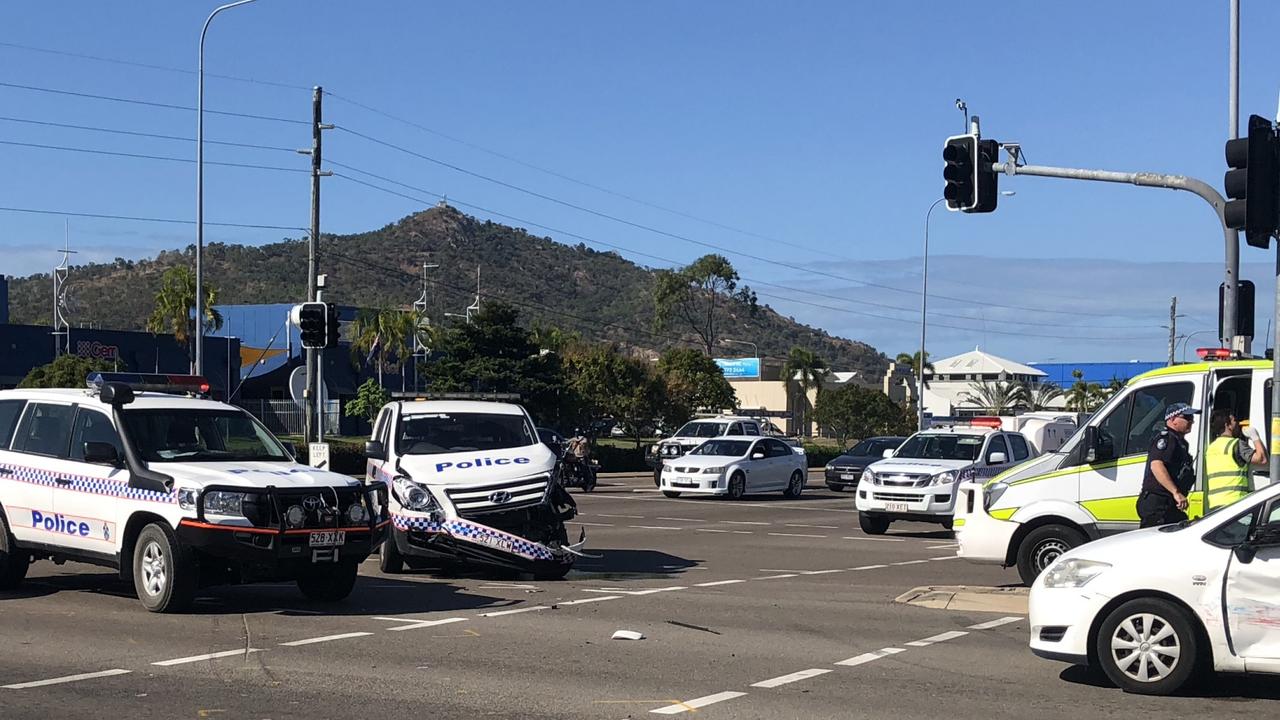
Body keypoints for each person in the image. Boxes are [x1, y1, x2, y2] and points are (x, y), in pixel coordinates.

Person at [1136, 402, 1199, 528]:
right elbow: (1157, 465)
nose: (1191, 421)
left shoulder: (1180, 442)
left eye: (1192, 418)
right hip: (1158, 503)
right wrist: (1176, 492)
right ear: (1172, 419)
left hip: (1168, 503)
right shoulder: (1167, 439)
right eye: (1187, 418)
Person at [1205, 408, 1267, 510]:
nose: (1237, 423)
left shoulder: (1211, 448)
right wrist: (1255, 437)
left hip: (1215, 504)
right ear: (1227, 425)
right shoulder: (1236, 444)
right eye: (1234, 420)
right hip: (1235, 503)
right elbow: (1262, 459)